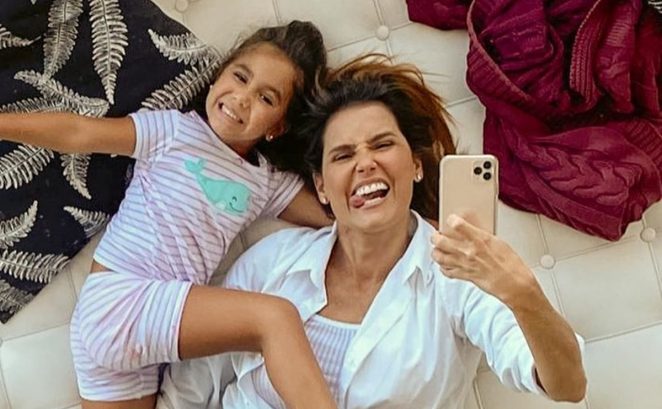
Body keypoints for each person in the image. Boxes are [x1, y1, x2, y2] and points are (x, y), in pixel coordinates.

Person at [158, 54, 587, 408]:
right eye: (343, 155)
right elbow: (189, 391)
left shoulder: (458, 277)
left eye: (382, 145)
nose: (365, 163)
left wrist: (522, 293)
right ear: (321, 187)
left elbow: (567, 385)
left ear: (415, 165)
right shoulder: (270, 263)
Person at [0, 21, 338, 409]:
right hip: (120, 302)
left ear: (278, 127)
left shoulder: (266, 181)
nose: (243, 98)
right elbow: (79, 133)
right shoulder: (173, 132)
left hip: (144, 330)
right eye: (240, 77)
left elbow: (341, 220)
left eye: (266, 98)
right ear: (218, 77)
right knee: (274, 318)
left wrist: (406, 218)